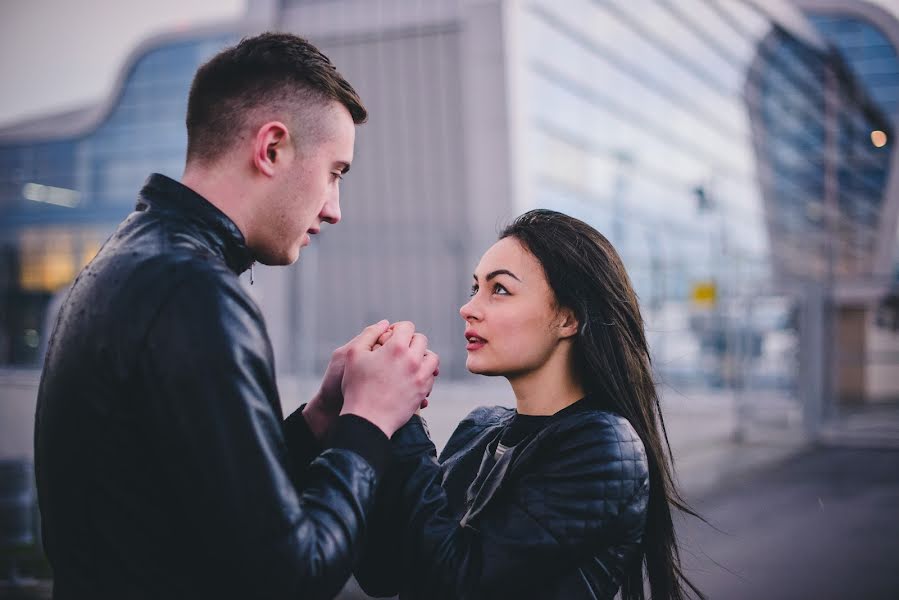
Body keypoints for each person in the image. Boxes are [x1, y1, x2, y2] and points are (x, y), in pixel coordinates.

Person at [34, 32, 439, 600]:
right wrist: (370, 420)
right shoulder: (194, 292)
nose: (335, 208)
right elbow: (290, 577)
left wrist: (320, 420)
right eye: (335, 172)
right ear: (271, 148)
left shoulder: (126, 259)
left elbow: (194, 507)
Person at [355, 209, 703, 600]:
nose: (468, 307)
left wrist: (408, 421)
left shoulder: (601, 446)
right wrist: (376, 421)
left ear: (568, 319)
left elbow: (459, 583)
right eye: (475, 288)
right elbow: (384, 572)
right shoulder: (479, 429)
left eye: (499, 289)